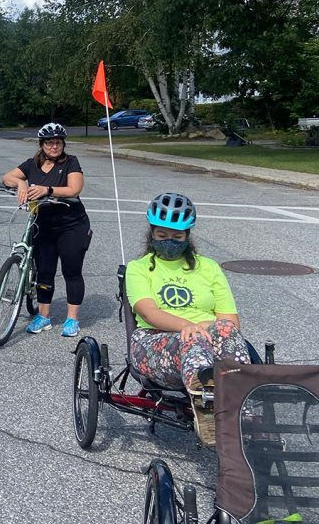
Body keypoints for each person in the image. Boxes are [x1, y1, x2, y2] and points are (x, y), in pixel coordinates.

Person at [125, 191, 251, 446]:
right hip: (155, 340)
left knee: (226, 330)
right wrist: (190, 327)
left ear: (187, 237)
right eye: (162, 236)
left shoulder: (209, 268)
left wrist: (202, 328)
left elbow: (229, 321)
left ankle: (241, 407)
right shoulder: (138, 268)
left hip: (206, 337)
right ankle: (207, 412)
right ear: (152, 234)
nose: (169, 242)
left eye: (176, 237)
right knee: (191, 340)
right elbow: (149, 312)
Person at [1, 122, 92, 336]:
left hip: (72, 224)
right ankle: (43, 316)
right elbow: (7, 177)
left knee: (71, 271)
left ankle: (72, 319)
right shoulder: (32, 163)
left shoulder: (71, 162)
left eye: (58, 142)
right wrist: (21, 184)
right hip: (42, 224)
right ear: (42, 145)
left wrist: (47, 189)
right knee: (44, 271)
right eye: (50, 142)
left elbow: (74, 188)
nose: (54, 146)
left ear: (63, 144)